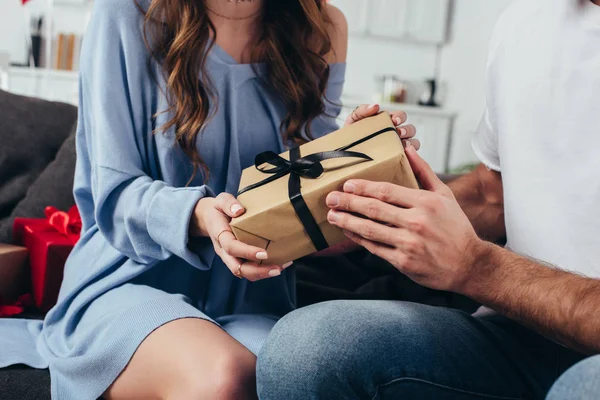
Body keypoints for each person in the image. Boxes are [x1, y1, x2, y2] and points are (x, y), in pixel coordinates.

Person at [0, 0, 419, 399]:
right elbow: (113, 193)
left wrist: (357, 158)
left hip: (254, 298)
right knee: (226, 378)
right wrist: (199, 216)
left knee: (291, 379)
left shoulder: (322, 28)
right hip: (126, 281)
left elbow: (303, 194)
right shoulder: (127, 12)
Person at [257, 0, 600, 399]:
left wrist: (479, 267)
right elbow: (493, 197)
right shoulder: (526, 20)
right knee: (305, 349)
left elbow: (481, 262)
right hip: (518, 333)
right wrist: (374, 199)